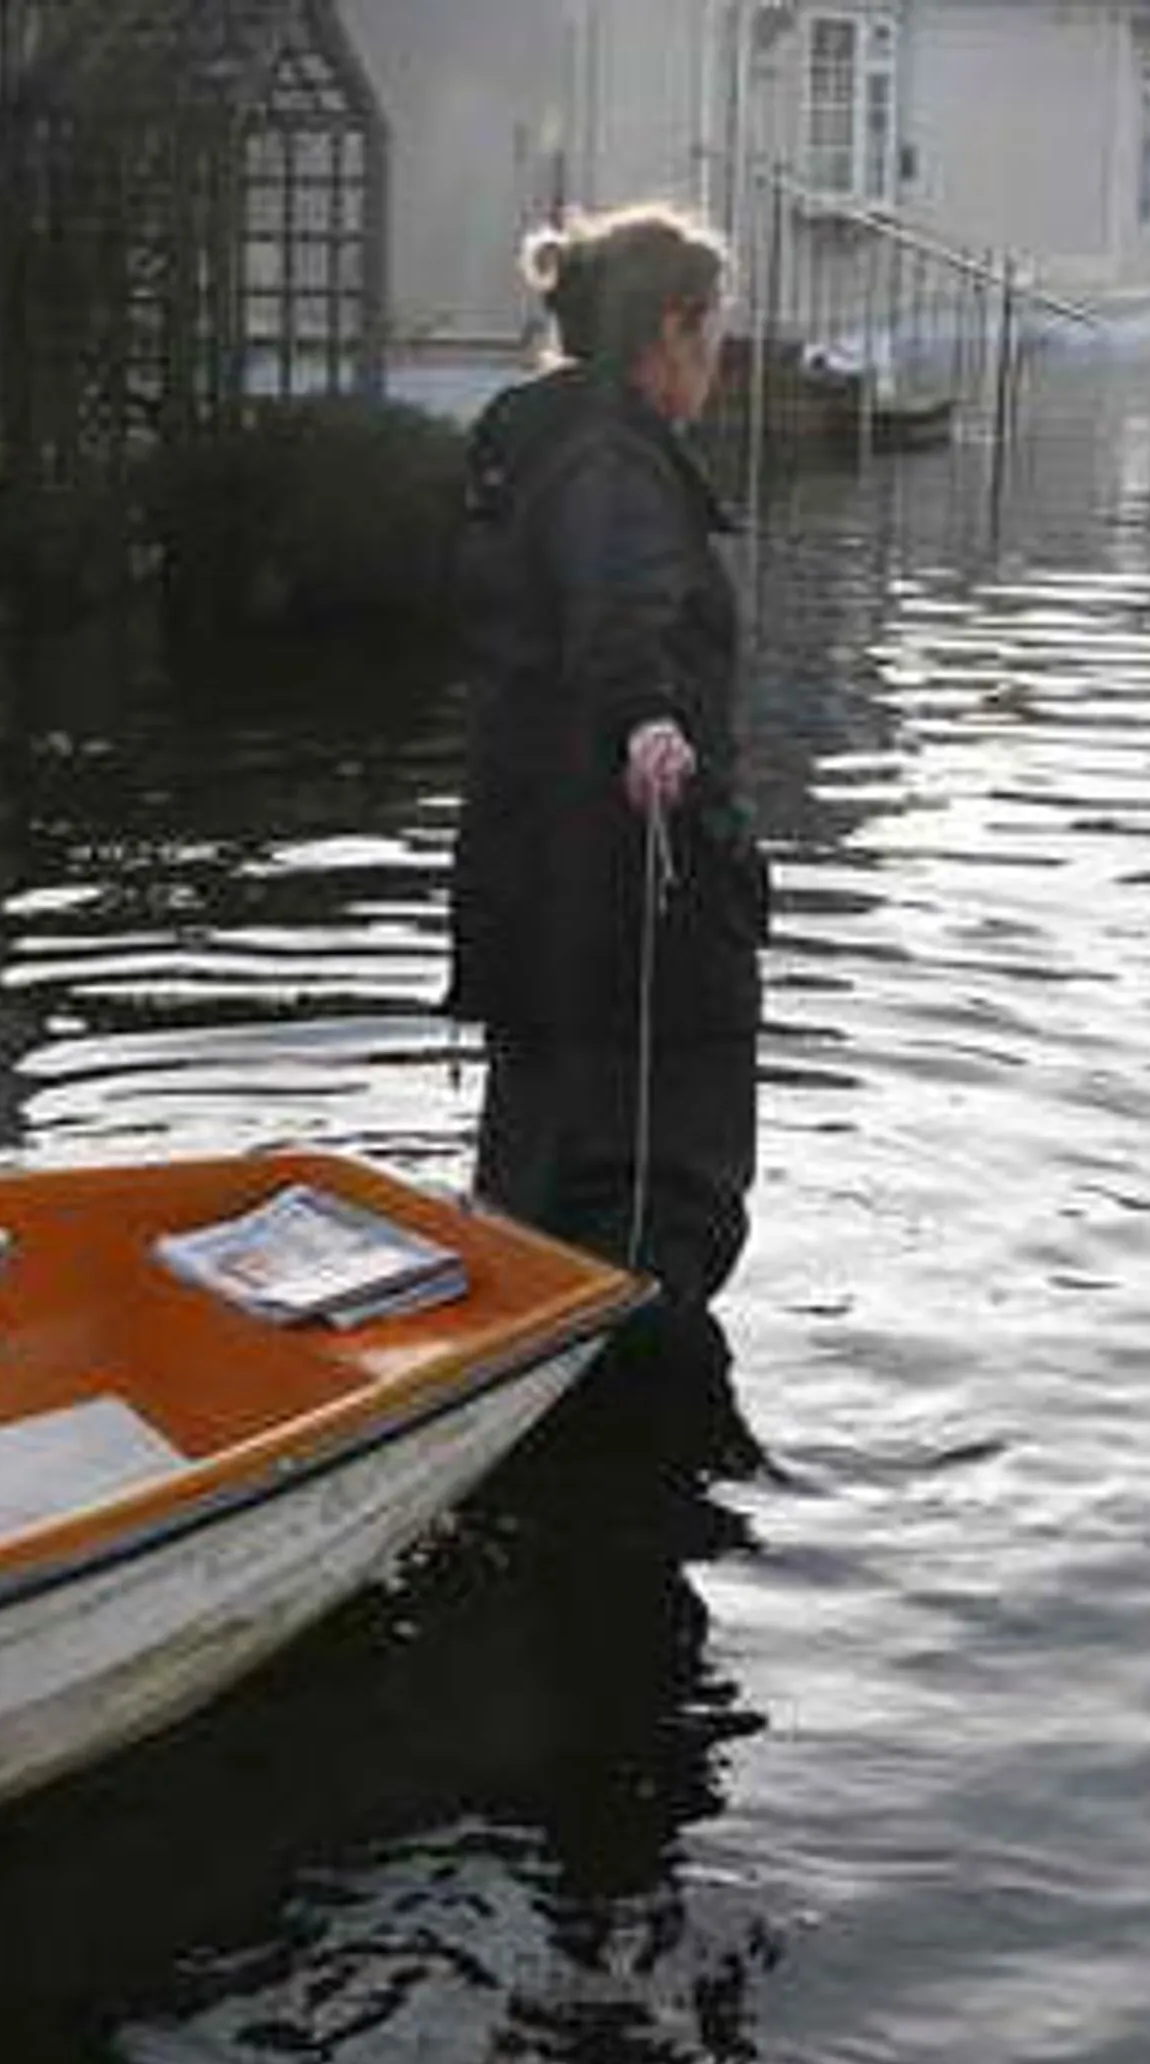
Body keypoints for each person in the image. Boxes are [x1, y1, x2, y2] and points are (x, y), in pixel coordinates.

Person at [449, 203, 765, 1325]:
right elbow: (616, 601)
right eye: (714, 335)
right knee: (653, 1183)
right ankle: (632, 1395)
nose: (717, 363)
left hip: (532, 880)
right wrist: (649, 720)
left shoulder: (534, 445)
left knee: (543, 1143)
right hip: (634, 893)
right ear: (672, 329)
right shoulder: (612, 463)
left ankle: (526, 1387)